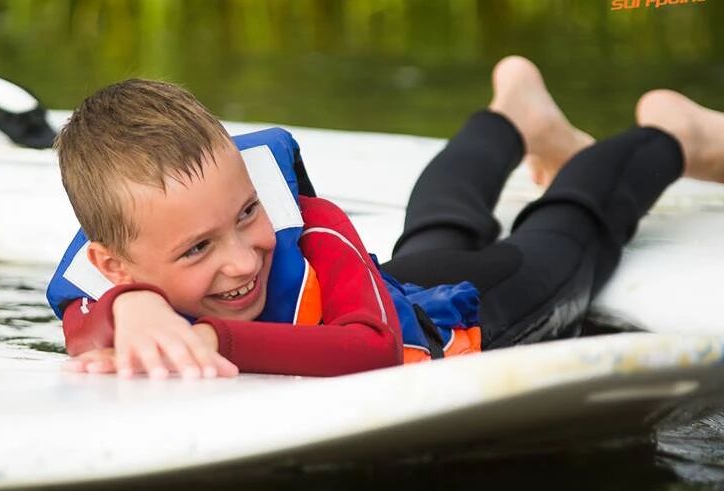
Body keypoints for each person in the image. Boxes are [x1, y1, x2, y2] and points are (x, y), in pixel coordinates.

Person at [54, 55, 724, 379]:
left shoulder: (315, 228)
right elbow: (87, 324)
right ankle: (514, 116)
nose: (242, 257)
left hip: (478, 312)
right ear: (116, 265)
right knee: (438, 227)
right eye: (198, 249)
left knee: (568, 228)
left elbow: (373, 348)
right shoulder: (114, 281)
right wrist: (131, 308)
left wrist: (212, 339)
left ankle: (674, 132)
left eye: (249, 211)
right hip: (408, 279)